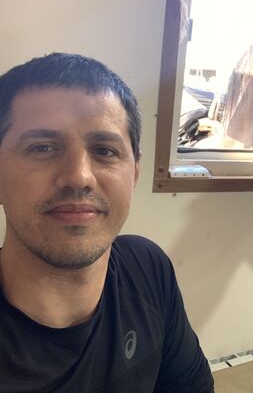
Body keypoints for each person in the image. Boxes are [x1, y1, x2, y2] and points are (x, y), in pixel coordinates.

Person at [0, 53, 214, 392]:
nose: (79, 176)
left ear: (135, 173)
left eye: (104, 150)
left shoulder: (147, 269)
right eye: (42, 148)